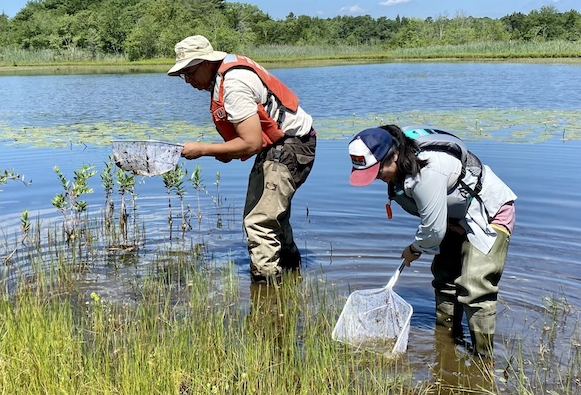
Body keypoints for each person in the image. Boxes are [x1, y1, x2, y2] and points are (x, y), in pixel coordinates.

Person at [347, 125, 517, 358]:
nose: (377, 178)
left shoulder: (427, 172)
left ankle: (483, 360)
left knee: (475, 286)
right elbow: (434, 223)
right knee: (445, 280)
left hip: (487, 215)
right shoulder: (397, 154)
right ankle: (447, 342)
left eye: (378, 171)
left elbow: (433, 231)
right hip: (453, 219)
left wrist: (414, 249)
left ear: (394, 155)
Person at [168, 35, 316, 284]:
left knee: (260, 223)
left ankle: (267, 294)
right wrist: (226, 151)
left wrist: (202, 149)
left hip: (289, 148)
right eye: (184, 75)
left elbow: (251, 143)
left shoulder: (233, 85)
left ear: (206, 63)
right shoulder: (225, 73)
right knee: (272, 217)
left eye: (190, 72)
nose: (188, 80)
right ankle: (292, 274)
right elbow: (251, 142)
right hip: (284, 146)